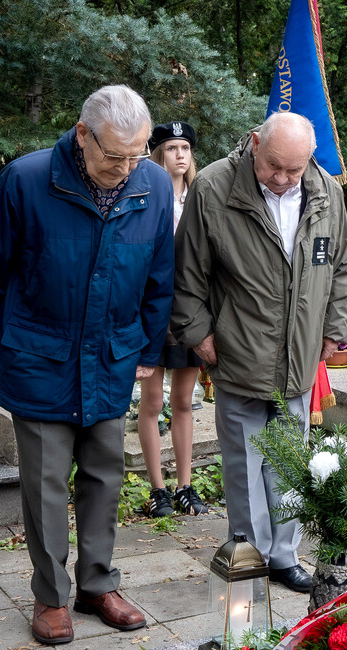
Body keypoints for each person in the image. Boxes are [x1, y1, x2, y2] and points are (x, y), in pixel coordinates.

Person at [0, 85, 172, 644]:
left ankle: (97, 584)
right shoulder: (26, 180)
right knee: (47, 483)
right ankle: (52, 596)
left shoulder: (152, 184)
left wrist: (148, 348)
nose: (126, 169)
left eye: (137, 155)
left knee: (106, 475)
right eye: (115, 156)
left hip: (111, 357)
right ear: (83, 135)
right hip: (40, 357)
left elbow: (160, 274)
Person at [171, 112, 347, 593]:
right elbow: (186, 272)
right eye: (274, 165)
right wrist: (199, 334)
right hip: (238, 352)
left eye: (295, 169)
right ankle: (247, 554)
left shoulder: (326, 192)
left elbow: (339, 266)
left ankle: (283, 557)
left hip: (299, 356)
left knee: (289, 463)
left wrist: (333, 329)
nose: (283, 178)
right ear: (255, 143)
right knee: (244, 466)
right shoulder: (213, 188)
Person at [135, 121, 208, 519]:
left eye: (185, 148)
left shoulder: (200, 196)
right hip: (153, 310)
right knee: (152, 401)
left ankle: (184, 486)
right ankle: (157, 489)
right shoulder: (146, 195)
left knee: (183, 401)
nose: (180, 155)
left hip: (189, 310)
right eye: (171, 148)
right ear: (158, 154)